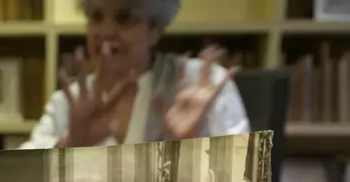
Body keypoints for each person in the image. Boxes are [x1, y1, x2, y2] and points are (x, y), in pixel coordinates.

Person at [19, 0, 249, 150]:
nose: (105, 32)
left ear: (155, 30)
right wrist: (69, 144)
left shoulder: (200, 84)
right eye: (96, 17)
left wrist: (190, 148)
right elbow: (16, 175)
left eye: (124, 18)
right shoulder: (71, 101)